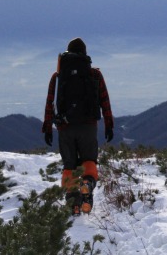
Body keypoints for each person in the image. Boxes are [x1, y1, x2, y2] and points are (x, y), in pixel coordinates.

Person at [42, 37, 114, 215]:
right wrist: (109, 124)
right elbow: (105, 100)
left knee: (69, 166)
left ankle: (74, 204)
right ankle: (87, 184)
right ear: (85, 53)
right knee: (89, 160)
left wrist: (47, 127)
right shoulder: (94, 74)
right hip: (88, 126)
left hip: (65, 127)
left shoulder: (58, 76)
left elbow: (50, 102)